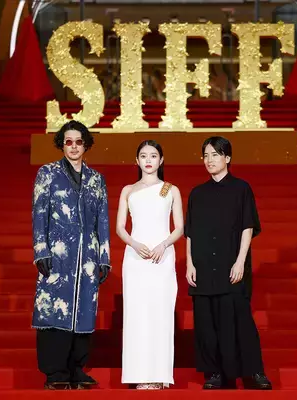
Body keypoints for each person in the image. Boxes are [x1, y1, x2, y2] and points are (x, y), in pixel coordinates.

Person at [184, 136, 271, 390]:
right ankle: (214, 373)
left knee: (240, 320)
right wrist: (190, 263)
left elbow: (247, 226)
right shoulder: (197, 193)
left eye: (215, 155)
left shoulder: (241, 189)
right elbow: (190, 232)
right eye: (206, 155)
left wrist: (240, 261)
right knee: (206, 323)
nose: (209, 160)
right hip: (203, 267)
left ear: (227, 158)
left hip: (231, 266)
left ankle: (253, 372)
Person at [31, 120, 112, 390]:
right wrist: (41, 250)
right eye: (68, 142)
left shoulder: (96, 179)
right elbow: (39, 213)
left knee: (83, 311)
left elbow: (103, 220)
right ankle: (55, 373)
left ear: (85, 144)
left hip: (87, 257)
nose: (74, 146)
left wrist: (104, 256)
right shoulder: (48, 174)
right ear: (62, 145)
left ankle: (77, 370)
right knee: (54, 310)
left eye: (78, 141)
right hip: (57, 254)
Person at [116, 140, 183, 390]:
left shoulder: (169, 189)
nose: (148, 160)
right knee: (136, 314)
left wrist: (163, 245)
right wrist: (134, 244)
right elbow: (120, 228)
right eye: (143, 156)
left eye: (153, 156)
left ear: (161, 160)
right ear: (137, 160)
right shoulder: (128, 190)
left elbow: (179, 228)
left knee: (160, 313)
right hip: (135, 259)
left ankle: (159, 374)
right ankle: (137, 374)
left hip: (161, 257)